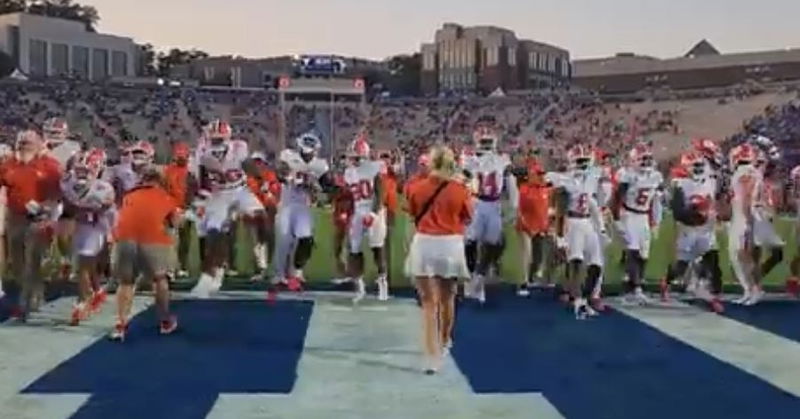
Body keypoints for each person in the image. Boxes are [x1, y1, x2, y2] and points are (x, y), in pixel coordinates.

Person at [405, 146, 472, 374]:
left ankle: (431, 357)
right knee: (448, 298)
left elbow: (413, 212)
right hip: (450, 244)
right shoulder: (460, 189)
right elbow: (468, 216)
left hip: (425, 243)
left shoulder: (416, 187)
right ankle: (444, 342)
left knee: (428, 304)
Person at [190, 119, 266, 298]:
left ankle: (260, 248)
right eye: (213, 139)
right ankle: (212, 274)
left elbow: (248, 165)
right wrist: (201, 198)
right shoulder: (202, 152)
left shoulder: (239, 147)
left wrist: (262, 180)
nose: (216, 143)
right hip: (218, 195)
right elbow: (200, 179)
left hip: (239, 190)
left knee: (261, 216)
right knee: (215, 236)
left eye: (219, 139)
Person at [110, 168, 180, 342]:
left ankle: (120, 324)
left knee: (125, 282)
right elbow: (175, 222)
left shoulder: (129, 196)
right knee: (160, 279)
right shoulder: (165, 197)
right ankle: (165, 321)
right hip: (153, 238)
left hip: (124, 239)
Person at [0, 130, 62, 320]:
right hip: (15, 216)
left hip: (39, 218)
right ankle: (34, 290)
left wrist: (44, 208)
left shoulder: (49, 166)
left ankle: (26, 300)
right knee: (17, 262)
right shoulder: (8, 164)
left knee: (32, 259)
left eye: (27, 142)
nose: (23, 145)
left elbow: (58, 195)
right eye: (20, 142)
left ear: (38, 144)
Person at [662, 151, 724, 313]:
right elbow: (677, 213)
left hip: (706, 230)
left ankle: (713, 295)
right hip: (688, 229)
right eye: (694, 165)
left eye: (700, 165)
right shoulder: (681, 184)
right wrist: (695, 213)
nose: (698, 168)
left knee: (713, 260)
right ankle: (666, 282)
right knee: (681, 266)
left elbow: (715, 199)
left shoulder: (710, 180)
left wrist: (711, 215)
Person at [462, 126, 519, 304]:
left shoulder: (502, 159)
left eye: (488, 142)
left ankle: (479, 276)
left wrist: (514, 205)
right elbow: (462, 182)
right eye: (483, 142)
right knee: (469, 241)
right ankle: (470, 278)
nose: (486, 145)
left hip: (494, 204)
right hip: (476, 202)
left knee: (493, 243)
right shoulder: (470, 160)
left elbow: (511, 182)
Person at [551, 144, 607, 320]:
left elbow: (593, 201)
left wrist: (602, 227)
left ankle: (584, 296)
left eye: (585, 160)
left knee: (597, 264)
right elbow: (560, 212)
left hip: (587, 222)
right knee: (575, 262)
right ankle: (578, 302)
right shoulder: (564, 182)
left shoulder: (591, 178)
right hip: (572, 222)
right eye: (579, 161)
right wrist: (560, 237)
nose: (583, 164)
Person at [61, 148, 116, 325]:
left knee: (83, 264)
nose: (83, 174)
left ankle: (81, 302)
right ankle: (97, 291)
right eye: (80, 169)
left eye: (88, 170)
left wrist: (110, 232)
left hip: (98, 226)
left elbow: (106, 210)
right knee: (87, 264)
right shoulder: (67, 181)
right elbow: (68, 206)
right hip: (80, 225)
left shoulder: (104, 187)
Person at [272, 131, 330, 296]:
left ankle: (296, 272)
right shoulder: (288, 156)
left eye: (309, 151)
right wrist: (295, 179)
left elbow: (327, 186)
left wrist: (318, 189)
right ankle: (279, 275)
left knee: (306, 239)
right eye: (304, 150)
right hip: (287, 203)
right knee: (284, 239)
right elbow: (280, 173)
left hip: (303, 206)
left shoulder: (320, 165)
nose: (306, 154)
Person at [612, 143, 663, 306]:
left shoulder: (655, 176)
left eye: (648, 159)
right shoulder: (627, 175)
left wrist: (656, 222)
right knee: (633, 251)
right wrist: (617, 219)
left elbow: (656, 202)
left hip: (643, 217)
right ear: (634, 160)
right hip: (629, 215)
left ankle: (633, 286)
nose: (646, 162)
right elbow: (616, 199)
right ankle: (636, 289)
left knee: (644, 255)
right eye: (643, 159)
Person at [343, 135, 387, 302]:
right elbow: (351, 197)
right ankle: (360, 287)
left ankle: (383, 283)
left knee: (377, 247)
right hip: (358, 211)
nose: (351, 159)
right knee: (354, 248)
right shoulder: (349, 172)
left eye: (354, 156)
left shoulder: (374, 168)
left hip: (374, 210)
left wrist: (373, 214)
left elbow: (379, 193)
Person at [727, 143, 762, 305]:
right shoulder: (752, 172)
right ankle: (749, 290)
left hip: (744, 217)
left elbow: (746, 197)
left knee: (742, 255)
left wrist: (747, 220)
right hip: (745, 216)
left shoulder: (744, 173)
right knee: (741, 255)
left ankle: (753, 290)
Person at [515, 159, 552, 296]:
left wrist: (546, 226)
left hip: (540, 226)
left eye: (542, 174)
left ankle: (532, 277)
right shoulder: (525, 189)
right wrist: (526, 226)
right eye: (539, 174)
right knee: (526, 254)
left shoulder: (547, 189)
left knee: (538, 256)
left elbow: (547, 209)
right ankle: (523, 283)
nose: (542, 176)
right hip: (526, 226)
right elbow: (520, 210)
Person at [164, 141, 197, 278]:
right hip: (172, 208)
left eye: (184, 155)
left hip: (188, 207)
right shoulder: (168, 171)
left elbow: (195, 189)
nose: (181, 158)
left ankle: (182, 266)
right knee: (172, 239)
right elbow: (165, 190)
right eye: (179, 155)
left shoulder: (192, 170)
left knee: (186, 239)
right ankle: (171, 269)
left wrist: (190, 206)